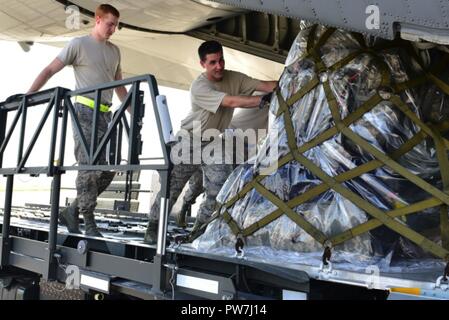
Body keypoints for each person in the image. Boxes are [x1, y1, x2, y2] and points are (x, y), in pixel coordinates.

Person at [144, 40, 277, 244]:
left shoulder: (234, 77)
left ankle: (200, 232)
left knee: (220, 187)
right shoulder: (200, 86)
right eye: (213, 62)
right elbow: (230, 101)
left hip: (214, 140)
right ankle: (153, 228)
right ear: (202, 64)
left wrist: (290, 82)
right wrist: (262, 101)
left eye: (221, 60)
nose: (219, 66)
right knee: (171, 189)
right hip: (189, 141)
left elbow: (265, 85)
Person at [27, 4, 128, 237]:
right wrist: (30, 95)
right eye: (110, 23)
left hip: (106, 114)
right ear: (98, 19)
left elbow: (120, 86)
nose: (113, 28)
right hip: (84, 110)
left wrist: (136, 112)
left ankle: (72, 210)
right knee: (88, 165)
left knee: (110, 168)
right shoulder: (79, 44)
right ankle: (88, 219)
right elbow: (50, 70)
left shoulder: (115, 51)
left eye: (116, 25)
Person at [172, 107, 270, 228]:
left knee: (222, 187)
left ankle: (200, 226)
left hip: (246, 148)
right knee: (198, 183)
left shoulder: (276, 110)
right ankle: (184, 210)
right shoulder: (262, 97)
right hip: (227, 138)